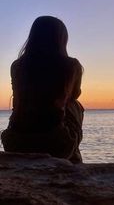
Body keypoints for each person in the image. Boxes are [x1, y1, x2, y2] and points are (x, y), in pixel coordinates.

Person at [1, 16, 84, 162]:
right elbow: (75, 93)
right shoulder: (70, 65)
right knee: (75, 105)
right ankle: (74, 159)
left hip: (15, 142)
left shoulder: (17, 66)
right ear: (61, 39)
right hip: (56, 144)